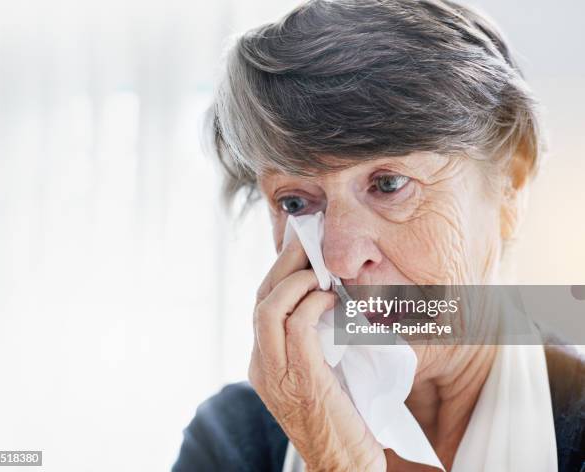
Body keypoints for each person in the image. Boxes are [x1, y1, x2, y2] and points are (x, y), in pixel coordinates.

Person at [173, 0, 585, 470]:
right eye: (295, 203)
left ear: (509, 184)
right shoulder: (232, 441)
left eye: (388, 184)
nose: (342, 259)